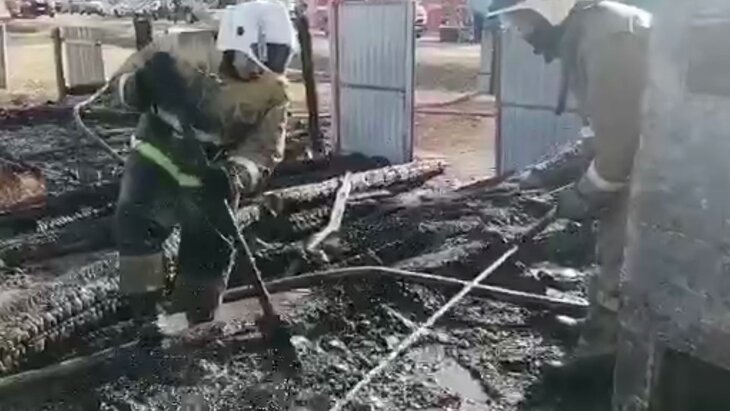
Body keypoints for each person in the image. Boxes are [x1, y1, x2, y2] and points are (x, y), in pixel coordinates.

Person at [109, 0, 297, 341]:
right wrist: (141, 85)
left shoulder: (275, 92)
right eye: (252, 63)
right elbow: (120, 86)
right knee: (138, 227)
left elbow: (265, 150)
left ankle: (194, 322)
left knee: (210, 248)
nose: (258, 73)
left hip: (212, 175)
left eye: (266, 69)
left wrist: (234, 175)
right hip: (157, 155)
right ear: (233, 39)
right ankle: (144, 316)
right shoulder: (179, 48)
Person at [489, 0, 651, 373]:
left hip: (661, 166)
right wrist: (556, 172)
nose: (521, 33)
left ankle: (602, 355)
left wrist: (582, 195)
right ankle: (602, 323)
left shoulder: (609, 41)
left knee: (622, 246)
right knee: (612, 239)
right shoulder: (587, 34)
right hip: (643, 158)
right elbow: (600, 130)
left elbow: (619, 150)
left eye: (521, 22)